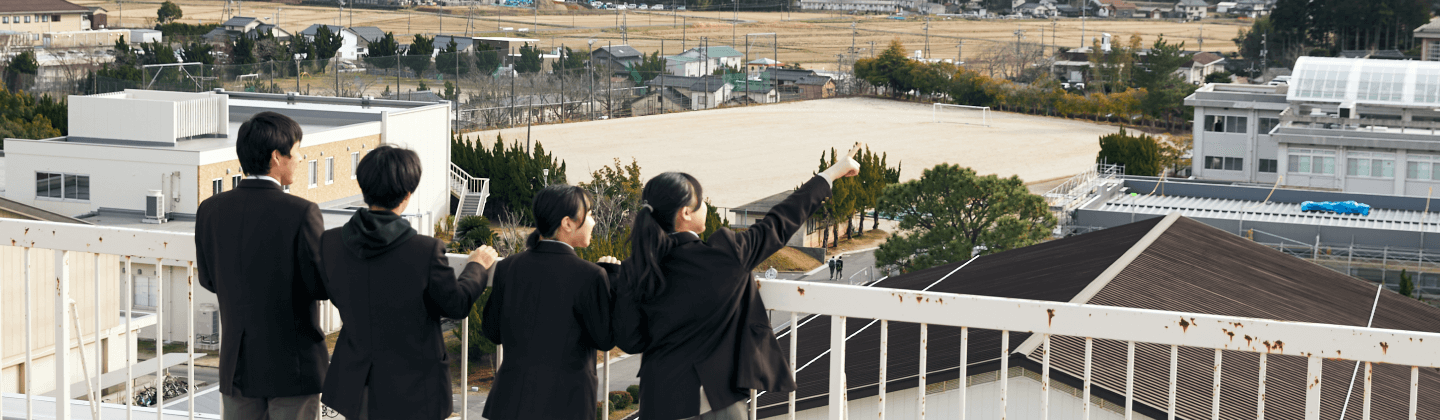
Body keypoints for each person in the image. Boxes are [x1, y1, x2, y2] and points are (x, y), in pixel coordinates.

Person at [613, 143, 864, 420]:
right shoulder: (724, 254)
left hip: (658, 400)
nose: (705, 206)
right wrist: (831, 174)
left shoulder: (635, 269)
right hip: (714, 400)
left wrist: (615, 277)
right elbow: (779, 222)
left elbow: (631, 340)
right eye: (702, 200)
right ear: (685, 213)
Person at [316, 145, 497, 420]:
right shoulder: (424, 251)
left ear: (364, 188)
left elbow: (330, 290)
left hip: (355, 384)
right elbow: (456, 304)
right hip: (415, 389)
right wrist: (476, 266)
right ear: (408, 194)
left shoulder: (330, 243)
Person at [196, 111, 329, 420]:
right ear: (276, 157)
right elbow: (320, 285)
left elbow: (208, 278)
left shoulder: (211, 209)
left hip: (238, 362)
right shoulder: (302, 212)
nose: (300, 158)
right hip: (292, 366)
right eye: (296, 151)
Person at [481, 184, 620, 420]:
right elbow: (604, 338)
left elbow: (492, 331)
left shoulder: (508, 267)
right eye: (591, 214)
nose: (594, 221)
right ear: (567, 223)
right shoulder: (590, 275)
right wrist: (613, 278)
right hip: (567, 404)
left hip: (511, 400)